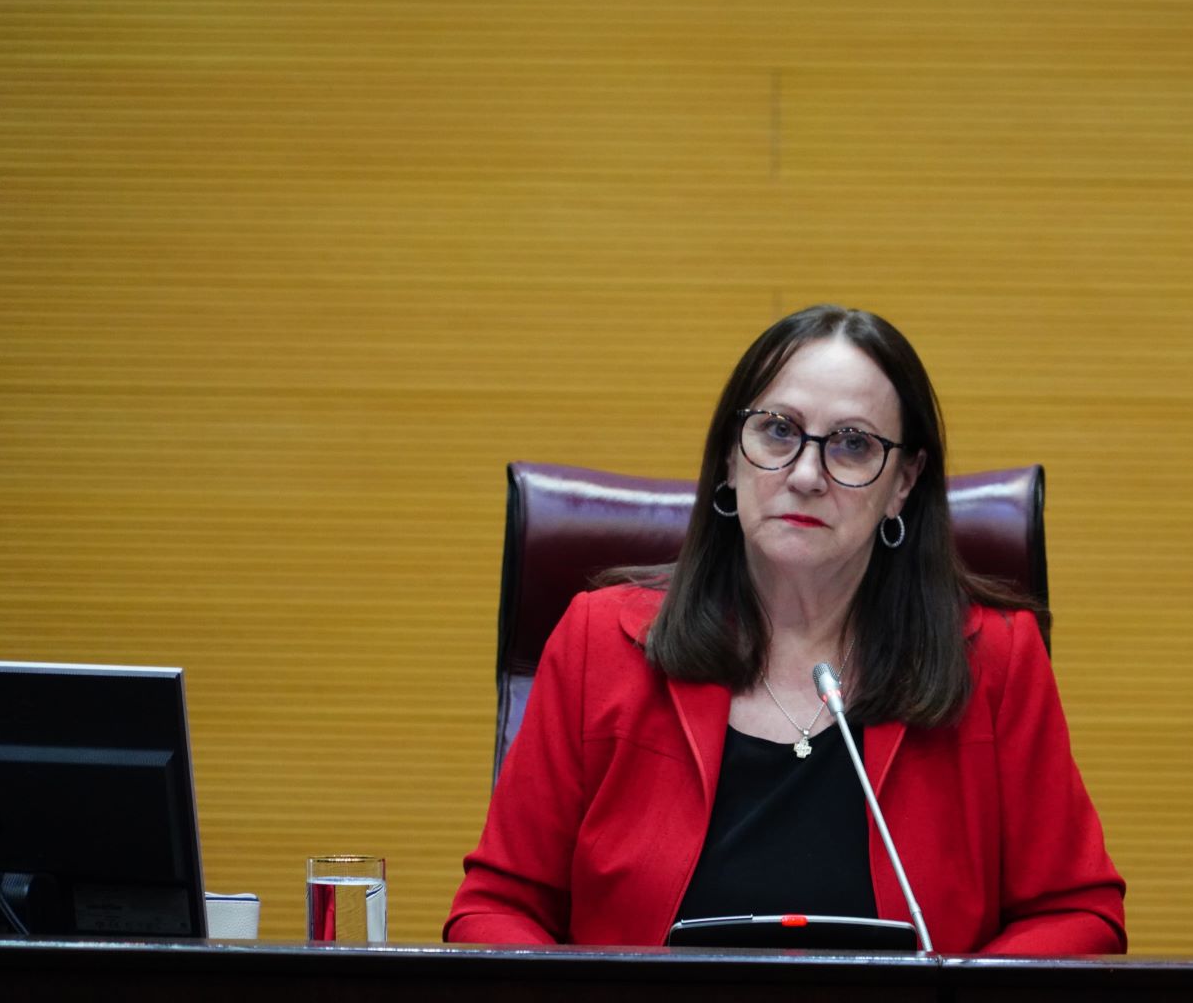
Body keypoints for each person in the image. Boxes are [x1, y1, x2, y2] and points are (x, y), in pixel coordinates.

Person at [445, 305, 1125, 953]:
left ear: (904, 483)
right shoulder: (599, 642)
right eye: (777, 431)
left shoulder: (995, 659)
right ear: (732, 456)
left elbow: (1076, 912)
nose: (804, 474)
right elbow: (498, 908)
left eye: (853, 445)